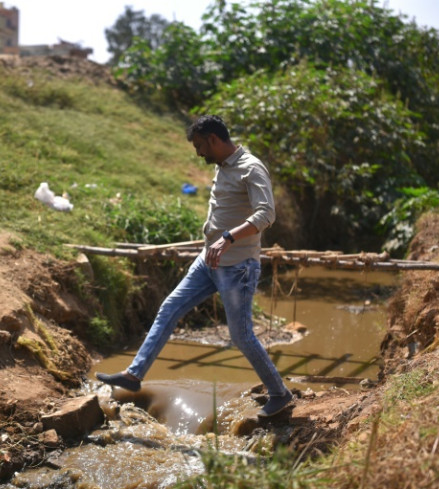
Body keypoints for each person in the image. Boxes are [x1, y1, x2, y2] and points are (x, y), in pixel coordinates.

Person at [96, 115, 293, 418]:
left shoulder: (250, 167)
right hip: (208, 261)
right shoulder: (222, 166)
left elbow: (267, 214)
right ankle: (134, 375)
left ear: (214, 139)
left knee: (241, 336)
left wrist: (227, 237)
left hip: (238, 266)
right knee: (169, 307)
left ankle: (279, 393)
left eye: (201, 146)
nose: (199, 153)